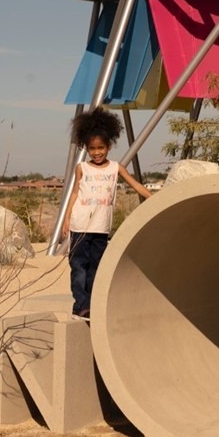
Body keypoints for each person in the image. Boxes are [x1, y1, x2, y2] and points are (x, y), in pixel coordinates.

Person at [63, 107, 153, 321]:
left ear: (109, 146)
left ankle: (92, 305)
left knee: (96, 268)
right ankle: (81, 306)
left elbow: (135, 185)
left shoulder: (116, 168)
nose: (96, 153)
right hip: (80, 226)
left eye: (100, 148)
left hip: (101, 228)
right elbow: (75, 193)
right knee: (78, 268)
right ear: (86, 148)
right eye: (92, 149)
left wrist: (154, 197)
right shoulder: (82, 168)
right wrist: (67, 219)